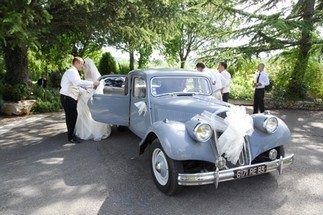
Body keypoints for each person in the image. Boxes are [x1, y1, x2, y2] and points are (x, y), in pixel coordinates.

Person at [60, 56, 100, 143]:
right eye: (81, 64)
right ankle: (71, 137)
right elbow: (78, 83)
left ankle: (71, 134)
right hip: (67, 97)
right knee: (71, 116)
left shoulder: (74, 72)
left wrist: (85, 92)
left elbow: (76, 86)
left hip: (68, 97)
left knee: (72, 116)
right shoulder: (72, 72)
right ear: (77, 63)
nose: (82, 66)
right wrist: (93, 83)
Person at [74, 57, 111, 141]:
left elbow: (97, 84)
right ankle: (86, 130)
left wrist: (89, 90)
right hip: (87, 93)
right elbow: (86, 83)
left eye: (85, 66)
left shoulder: (95, 75)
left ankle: (92, 131)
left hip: (92, 93)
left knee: (88, 110)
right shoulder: (87, 74)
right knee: (83, 110)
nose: (84, 68)